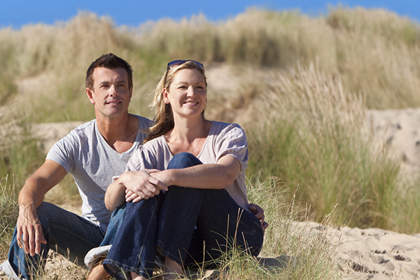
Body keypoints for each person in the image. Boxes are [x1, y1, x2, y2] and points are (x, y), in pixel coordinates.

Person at [102, 60, 268, 280]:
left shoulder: (228, 133)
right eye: (183, 87)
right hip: (192, 249)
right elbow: (111, 202)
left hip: (236, 237)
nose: (192, 93)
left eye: (199, 87)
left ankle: (172, 271)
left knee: (181, 164)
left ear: (206, 95)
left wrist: (169, 176)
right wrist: (127, 179)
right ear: (166, 95)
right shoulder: (151, 149)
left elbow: (225, 174)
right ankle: (139, 275)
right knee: (143, 184)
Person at [0, 53, 156, 280]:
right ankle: (23, 276)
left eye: (120, 85)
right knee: (38, 210)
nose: (113, 91)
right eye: (105, 85)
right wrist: (26, 210)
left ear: (130, 92)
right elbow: (37, 182)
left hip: (140, 237)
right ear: (91, 95)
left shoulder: (153, 135)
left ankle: (108, 268)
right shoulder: (77, 142)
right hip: (92, 243)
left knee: (133, 197)